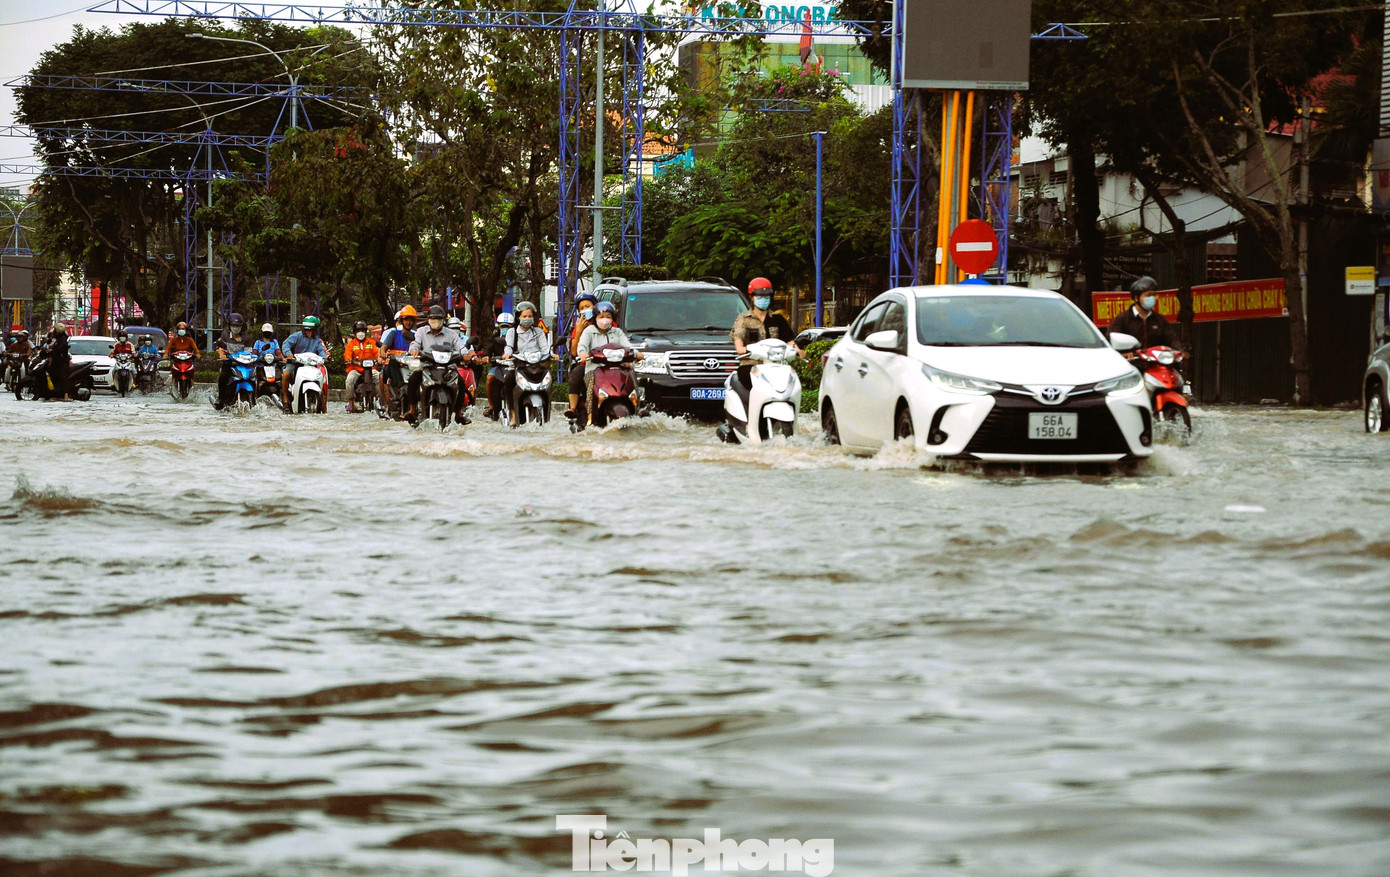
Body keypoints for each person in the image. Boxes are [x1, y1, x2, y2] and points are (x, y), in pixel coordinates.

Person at [574, 300, 640, 421]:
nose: (605, 319)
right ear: (596, 318)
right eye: (601, 316)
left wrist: (636, 354)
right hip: (594, 369)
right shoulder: (589, 331)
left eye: (608, 317)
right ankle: (590, 417)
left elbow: (628, 347)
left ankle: (637, 409)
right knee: (591, 386)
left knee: (632, 376)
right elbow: (582, 345)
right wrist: (583, 353)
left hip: (618, 369)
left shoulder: (617, 332)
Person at [406, 305, 472, 423]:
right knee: (412, 379)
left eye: (438, 319)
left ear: (443, 320)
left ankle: (458, 413)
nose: (435, 322)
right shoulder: (421, 332)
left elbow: (461, 347)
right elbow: (415, 343)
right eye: (432, 319)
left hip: (448, 368)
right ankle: (412, 410)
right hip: (427, 367)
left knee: (461, 383)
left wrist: (466, 355)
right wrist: (414, 350)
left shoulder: (451, 334)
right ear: (428, 320)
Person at [730, 277, 800, 388]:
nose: (764, 299)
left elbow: (789, 341)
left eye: (766, 296)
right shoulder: (743, 319)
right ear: (752, 298)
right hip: (750, 365)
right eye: (760, 297)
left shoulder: (777, 319)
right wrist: (741, 348)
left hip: (775, 365)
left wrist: (797, 350)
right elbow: (738, 337)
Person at [500, 300, 554, 427]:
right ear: (519, 317)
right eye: (524, 316)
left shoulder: (538, 332)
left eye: (530, 316)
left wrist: (551, 354)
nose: (527, 319)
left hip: (536, 366)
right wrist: (507, 354)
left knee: (548, 381)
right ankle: (513, 413)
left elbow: (545, 348)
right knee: (508, 379)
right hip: (518, 366)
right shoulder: (512, 332)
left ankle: (547, 414)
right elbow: (508, 347)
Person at [1108, 276, 1179, 350]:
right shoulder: (1122, 319)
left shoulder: (1159, 320)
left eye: (1153, 295)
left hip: (1155, 360)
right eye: (1148, 295)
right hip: (1131, 360)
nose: (1152, 298)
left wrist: (1180, 350)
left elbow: (1171, 339)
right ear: (1136, 298)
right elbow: (1111, 339)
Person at [280, 316, 329, 411]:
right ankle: (286, 400)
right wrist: (289, 354)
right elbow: (286, 344)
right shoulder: (297, 336)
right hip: (295, 363)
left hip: (311, 366)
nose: (310, 332)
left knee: (321, 380)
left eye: (312, 330)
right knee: (286, 374)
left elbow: (321, 351)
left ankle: (323, 406)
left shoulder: (317, 340)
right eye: (308, 330)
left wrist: (325, 358)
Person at [564, 291, 598, 424]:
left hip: (606, 365)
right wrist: (578, 332)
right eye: (582, 308)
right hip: (586, 365)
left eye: (588, 306)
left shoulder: (605, 323)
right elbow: (573, 352)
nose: (585, 310)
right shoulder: (578, 327)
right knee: (576, 374)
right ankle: (573, 408)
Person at [379, 305, 417, 418]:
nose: (408, 322)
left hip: (412, 366)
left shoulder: (417, 336)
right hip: (396, 366)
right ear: (401, 321)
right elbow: (383, 347)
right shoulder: (393, 334)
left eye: (411, 320)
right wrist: (382, 352)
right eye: (406, 319)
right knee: (388, 368)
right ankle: (398, 390)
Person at [212, 313, 252, 410]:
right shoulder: (225, 335)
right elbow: (220, 347)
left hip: (243, 365)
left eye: (238, 326)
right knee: (223, 377)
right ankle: (221, 399)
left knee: (253, 378)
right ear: (230, 325)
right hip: (229, 364)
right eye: (234, 326)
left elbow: (249, 353)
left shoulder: (247, 338)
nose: (236, 328)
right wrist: (222, 355)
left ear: (242, 326)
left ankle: (255, 398)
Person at [481, 312, 513, 420]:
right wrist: (486, 356)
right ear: (498, 326)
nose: (505, 328)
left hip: (515, 367)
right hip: (499, 367)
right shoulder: (493, 338)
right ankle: (491, 406)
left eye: (507, 326)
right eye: (503, 326)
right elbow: (487, 349)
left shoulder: (517, 337)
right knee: (490, 378)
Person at [343, 319, 380, 412]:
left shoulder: (371, 342)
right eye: (358, 331)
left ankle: (381, 401)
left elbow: (377, 353)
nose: (360, 333)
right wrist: (349, 360)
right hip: (356, 369)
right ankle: (351, 402)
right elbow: (347, 355)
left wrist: (379, 359)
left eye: (362, 331)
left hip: (370, 369)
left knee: (379, 378)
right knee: (349, 380)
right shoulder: (351, 344)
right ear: (355, 333)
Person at [47, 322, 71, 401]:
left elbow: (61, 348)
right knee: (53, 374)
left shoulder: (63, 339)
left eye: (55, 330)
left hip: (62, 362)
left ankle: (66, 395)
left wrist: (54, 350)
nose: (54, 331)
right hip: (56, 361)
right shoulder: (56, 339)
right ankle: (56, 393)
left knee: (62, 377)